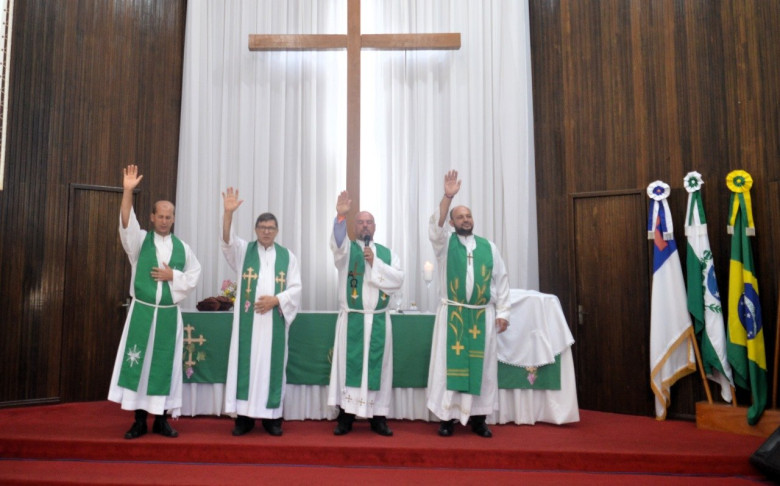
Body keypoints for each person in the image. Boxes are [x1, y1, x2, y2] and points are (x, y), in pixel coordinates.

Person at [108, 164, 202, 439]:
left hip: (169, 315)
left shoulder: (183, 248)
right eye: (160, 216)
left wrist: (174, 275)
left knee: (164, 365)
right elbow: (126, 222)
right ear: (151, 217)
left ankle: (160, 420)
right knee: (142, 363)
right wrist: (127, 191)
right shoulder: (139, 242)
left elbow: (194, 276)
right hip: (143, 314)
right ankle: (139, 420)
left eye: (168, 216)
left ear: (173, 218)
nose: (164, 220)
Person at [426, 170, 511, 438]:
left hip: (481, 316)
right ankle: (447, 418)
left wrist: (504, 312)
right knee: (448, 368)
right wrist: (447, 197)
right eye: (460, 216)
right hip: (453, 314)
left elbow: (502, 280)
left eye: (468, 216)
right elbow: (435, 226)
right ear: (452, 222)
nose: (465, 220)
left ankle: (479, 418)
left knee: (482, 369)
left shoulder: (488, 247)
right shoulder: (444, 244)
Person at [221, 187, 302, 436]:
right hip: (249, 323)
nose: (266, 232)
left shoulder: (288, 257)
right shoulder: (244, 251)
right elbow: (227, 241)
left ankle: (271, 418)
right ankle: (243, 418)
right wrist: (228, 214)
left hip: (273, 323)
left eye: (271, 228)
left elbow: (296, 288)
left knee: (271, 367)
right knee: (245, 364)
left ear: (276, 231)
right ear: (256, 230)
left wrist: (276, 300)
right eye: (262, 228)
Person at [328, 190, 404, 436]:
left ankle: (378, 416)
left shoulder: (388, 254)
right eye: (359, 222)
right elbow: (336, 246)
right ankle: (346, 416)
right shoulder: (347, 251)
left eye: (368, 222)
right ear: (355, 226)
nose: (364, 226)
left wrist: (374, 263)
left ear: (375, 226)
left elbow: (397, 281)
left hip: (379, 319)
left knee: (378, 368)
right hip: (353, 318)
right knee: (347, 367)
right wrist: (340, 216)